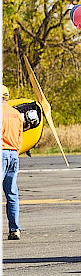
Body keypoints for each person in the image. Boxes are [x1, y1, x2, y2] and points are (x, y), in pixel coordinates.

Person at [3, 85, 23, 240]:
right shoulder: (16, 114)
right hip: (14, 154)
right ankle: (14, 229)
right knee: (12, 193)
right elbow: (20, 137)